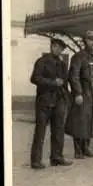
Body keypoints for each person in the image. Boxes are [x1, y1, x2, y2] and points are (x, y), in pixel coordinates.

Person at [29, 39, 73, 169]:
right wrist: (53, 82)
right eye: (55, 47)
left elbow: (65, 83)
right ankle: (36, 161)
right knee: (40, 132)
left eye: (60, 48)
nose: (58, 50)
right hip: (44, 101)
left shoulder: (62, 64)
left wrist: (67, 98)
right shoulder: (42, 61)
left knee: (58, 130)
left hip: (59, 101)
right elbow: (34, 78)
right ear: (51, 47)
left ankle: (57, 157)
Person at [65, 30, 93, 159]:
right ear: (86, 41)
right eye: (92, 40)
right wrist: (78, 93)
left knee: (92, 121)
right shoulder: (78, 57)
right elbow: (74, 76)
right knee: (80, 121)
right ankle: (78, 150)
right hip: (84, 93)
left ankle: (86, 147)